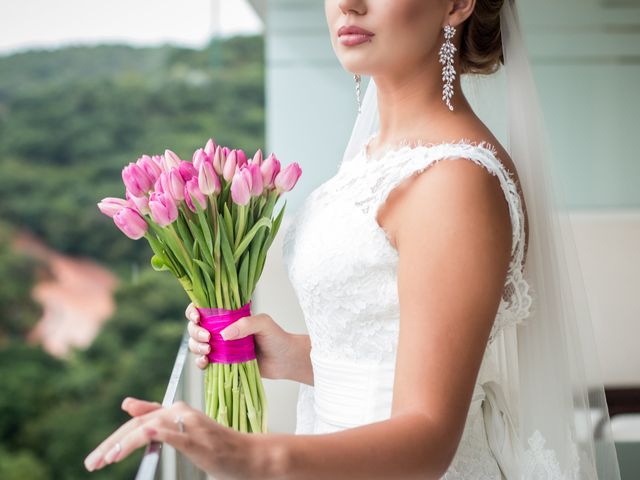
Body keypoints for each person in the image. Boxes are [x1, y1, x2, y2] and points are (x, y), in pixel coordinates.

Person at [84, 0, 622, 478]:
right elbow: (398, 349)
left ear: (458, 5)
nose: (348, 4)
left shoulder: (454, 179)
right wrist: (296, 355)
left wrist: (248, 454)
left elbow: (430, 437)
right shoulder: (378, 156)